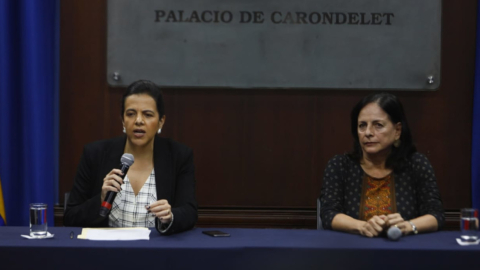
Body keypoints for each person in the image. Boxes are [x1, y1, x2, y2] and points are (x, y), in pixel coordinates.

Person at [64, 80, 197, 235]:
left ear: (161, 121)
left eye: (147, 115)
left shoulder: (179, 156)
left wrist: (170, 216)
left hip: (157, 252)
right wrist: (100, 199)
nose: (138, 121)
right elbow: (70, 217)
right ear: (123, 120)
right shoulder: (95, 154)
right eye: (131, 114)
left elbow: (190, 212)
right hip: (106, 252)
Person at [319, 93, 444, 237]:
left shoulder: (416, 164)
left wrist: (408, 226)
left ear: (397, 131)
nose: (368, 133)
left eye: (378, 125)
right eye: (362, 126)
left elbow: (436, 215)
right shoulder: (340, 166)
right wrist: (363, 226)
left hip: (405, 250)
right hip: (352, 251)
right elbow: (329, 214)